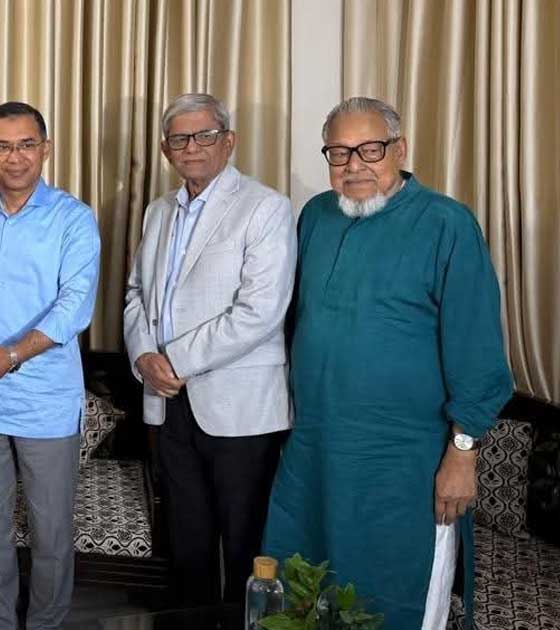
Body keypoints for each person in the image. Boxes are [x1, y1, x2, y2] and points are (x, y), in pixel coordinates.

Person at [264, 96, 513, 630]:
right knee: (301, 591)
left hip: (403, 461)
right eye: (338, 152)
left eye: (369, 150)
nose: (354, 165)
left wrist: (463, 454)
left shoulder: (447, 224)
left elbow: (478, 351)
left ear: (400, 149)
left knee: (394, 599)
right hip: (315, 449)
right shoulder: (316, 217)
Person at [123, 93, 295, 606]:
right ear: (165, 149)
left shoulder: (265, 207)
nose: (192, 147)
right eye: (180, 139)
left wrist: (173, 360)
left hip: (241, 409)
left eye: (205, 135)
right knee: (187, 545)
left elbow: (260, 311)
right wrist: (144, 357)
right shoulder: (158, 212)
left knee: (245, 547)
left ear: (229, 141)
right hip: (168, 402)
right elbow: (137, 293)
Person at [0, 101, 101, 630]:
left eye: (25, 145)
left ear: (45, 149)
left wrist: (14, 354)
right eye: (3, 146)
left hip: (45, 400)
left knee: (50, 531)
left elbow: (75, 306)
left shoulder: (73, 218)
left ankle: (45, 624)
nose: (15, 157)